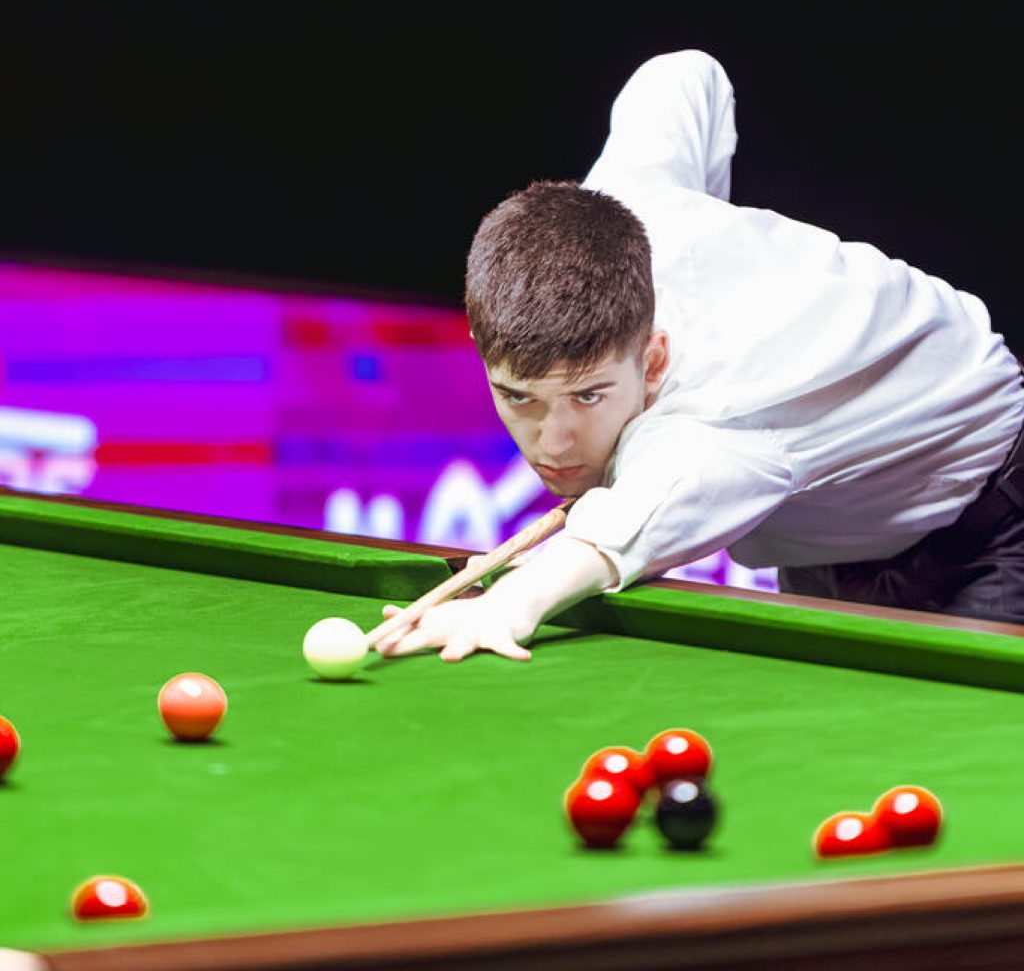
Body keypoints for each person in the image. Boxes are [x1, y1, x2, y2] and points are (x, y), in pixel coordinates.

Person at [369, 49, 1024, 662]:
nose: (554, 443)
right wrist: (707, 222)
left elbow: (618, 532)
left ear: (654, 358)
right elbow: (684, 75)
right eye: (519, 397)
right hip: (832, 522)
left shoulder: (720, 416)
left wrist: (509, 605)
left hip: (986, 523)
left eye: (589, 395)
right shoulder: (622, 207)